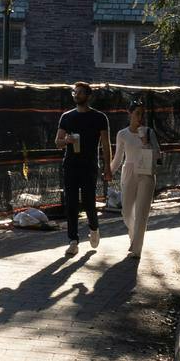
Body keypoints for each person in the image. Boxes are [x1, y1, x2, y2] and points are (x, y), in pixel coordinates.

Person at [54, 81, 111, 251]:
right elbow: (57, 142)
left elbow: (106, 144)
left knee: (88, 202)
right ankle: (73, 241)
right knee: (71, 203)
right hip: (70, 165)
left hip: (89, 165)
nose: (76, 95)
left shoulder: (99, 117)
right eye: (75, 92)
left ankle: (94, 228)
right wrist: (66, 140)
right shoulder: (67, 117)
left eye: (80, 92)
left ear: (88, 96)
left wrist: (108, 167)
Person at [110, 102, 159, 258]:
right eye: (137, 113)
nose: (140, 117)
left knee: (141, 212)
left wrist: (145, 142)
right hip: (129, 171)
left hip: (146, 173)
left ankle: (137, 249)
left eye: (142, 113)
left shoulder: (149, 132)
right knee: (126, 211)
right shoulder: (122, 134)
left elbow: (158, 155)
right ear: (129, 113)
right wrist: (109, 172)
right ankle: (134, 236)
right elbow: (118, 158)